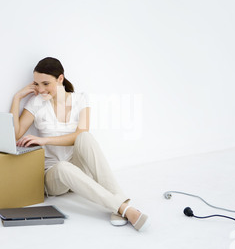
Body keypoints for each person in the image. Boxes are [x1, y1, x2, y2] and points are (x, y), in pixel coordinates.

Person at [10, 57, 149, 231]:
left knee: (85, 137)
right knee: (62, 166)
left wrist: (45, 140)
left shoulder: (80, 99)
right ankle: (124, 208)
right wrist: (17, 98)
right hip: (54, 176)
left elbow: (79, 135)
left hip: (78, 167)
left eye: (46, 83)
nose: (41, 89)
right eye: (36, 84)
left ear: (60, 78)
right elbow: (15, 133)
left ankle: (120, 205)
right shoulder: (37, 103)